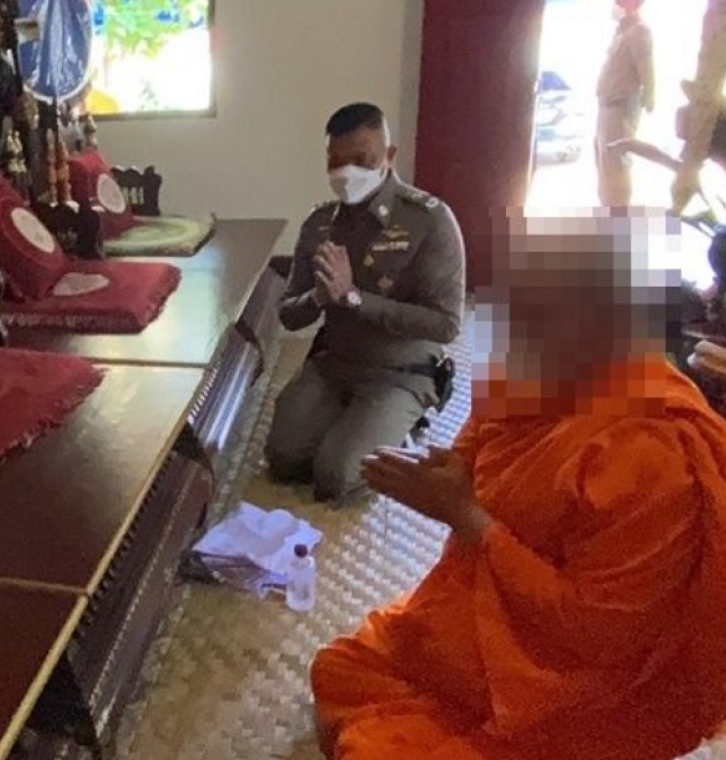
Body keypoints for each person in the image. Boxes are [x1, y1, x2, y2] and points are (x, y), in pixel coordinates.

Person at [311, 210, 726, 760]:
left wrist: (470, 519)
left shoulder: (652, 455)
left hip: (569, 680)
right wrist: (441, 485)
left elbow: (598, 632)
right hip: (492, 616)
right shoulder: (534, 370)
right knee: (340, 670)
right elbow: (474, 452)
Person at [265, 103, 465, 506]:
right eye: (335, 162)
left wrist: (354, 298)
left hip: (399, 371)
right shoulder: (320, 223)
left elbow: (446, 325)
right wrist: (319, 297)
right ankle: (353, 423)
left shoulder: (429, 220)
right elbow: (289, 314)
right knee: (283, 457)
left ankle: (404, 421)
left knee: (337, 476)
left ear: (389, 156)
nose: (346, 173)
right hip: (334, 362)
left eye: (362, 160)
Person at [596, 0, 655, 206]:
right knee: (605, 168)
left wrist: (649, 98)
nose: (615, 4)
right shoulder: (621, 32)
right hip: (606, 107)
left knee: (617, 167)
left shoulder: (639, 31)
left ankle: (618, 217)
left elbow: (647, 73)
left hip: (620, 109)